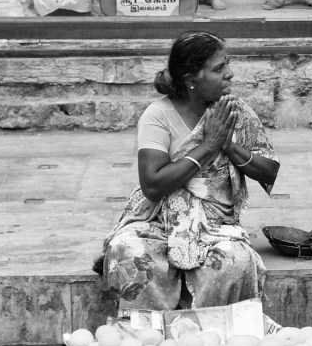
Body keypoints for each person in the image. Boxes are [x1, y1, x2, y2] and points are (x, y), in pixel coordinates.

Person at [97, 31, 279, 310]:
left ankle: (211, 339)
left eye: (227, 64)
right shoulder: (157, 116)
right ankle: (148, 338)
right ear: (191, 79)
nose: (230, 74)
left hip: (215, 226)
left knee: (234, 263)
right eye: (218, 69)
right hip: (157, 222)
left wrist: (228, 145)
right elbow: (153, 185)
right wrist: (208, 145)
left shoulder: (234, 113)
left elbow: (269, 172)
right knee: (127, 253)